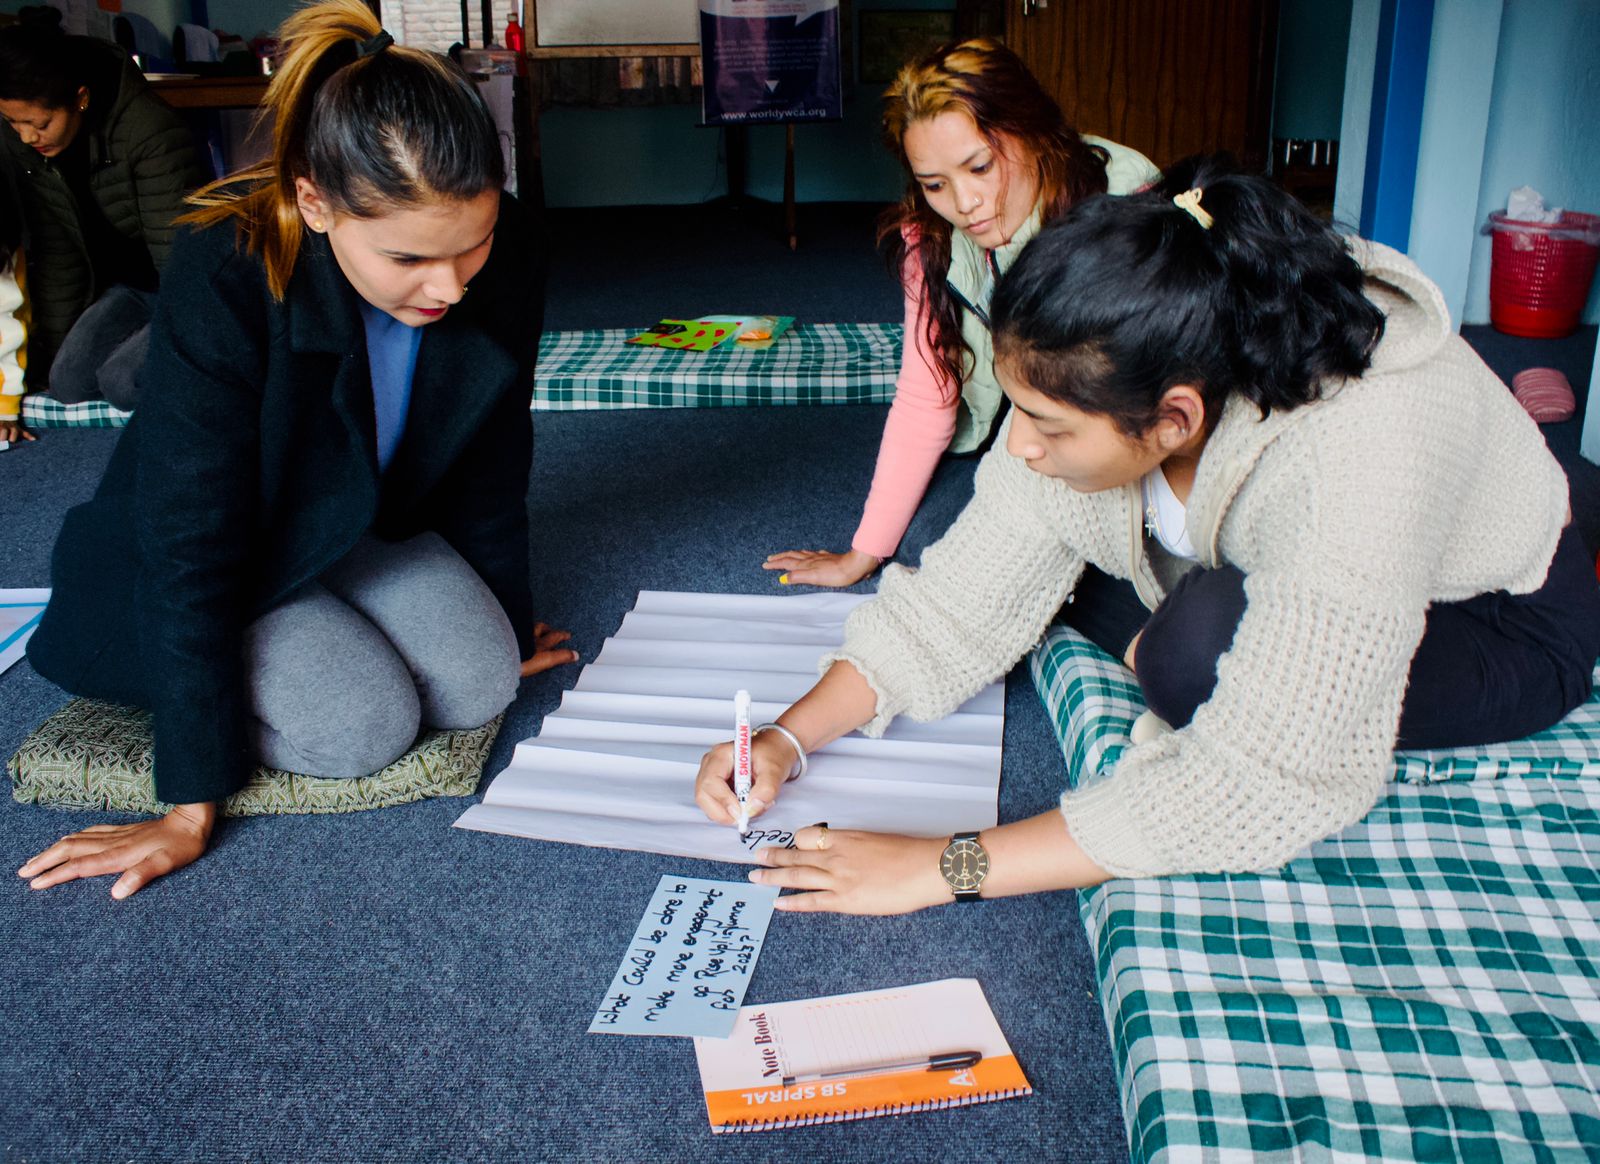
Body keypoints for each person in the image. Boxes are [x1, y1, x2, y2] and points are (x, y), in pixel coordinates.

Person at [698, 157, 1600, 915]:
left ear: (1175, 418)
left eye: (1049, 424)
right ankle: (1155, 591)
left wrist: (942, 867)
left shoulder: (1355, 458)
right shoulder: (1118, 354)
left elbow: (1256, 778)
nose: (1020, 444)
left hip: (1503, 620)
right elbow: (955, 600)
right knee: (1022, 547)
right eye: (1019, 407)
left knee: (1185, 661)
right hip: (1279, 538)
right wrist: (785, 738)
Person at [19, 0, 576, 900]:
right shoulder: (225, 264)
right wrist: (189, 801)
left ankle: (350, 619)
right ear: (315, 203)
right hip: (212, 542)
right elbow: (188, 534)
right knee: (361, 726)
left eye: (470, 246)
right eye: (407, 260)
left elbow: (493, 452)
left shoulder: (503, 250)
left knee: (483, 681)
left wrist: (506, 620)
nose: (450, 287)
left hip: (346, 515)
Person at [763, 38, 1158, 588]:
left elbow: (1146, 401)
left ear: (1035, 132)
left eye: (980, 167)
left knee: (1069, 551)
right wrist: (862, 555)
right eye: (935, 184)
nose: (965, 203)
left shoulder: (1126, 209)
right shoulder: (931, 239)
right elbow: (926, 396)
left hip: (1113, 438)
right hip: (1014, 434)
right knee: (928, 540)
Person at [0, 6, 207, 410]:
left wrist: (182, 339)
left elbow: (182, 260)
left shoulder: (150, 132)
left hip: (183, 284)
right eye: (12, 123)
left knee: (122, 382)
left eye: (40, 125)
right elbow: (59, 256)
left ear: (80, 100)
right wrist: (48, 352)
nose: (26, 137)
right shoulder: (25, 145)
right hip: (129, 287)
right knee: (66, 382)